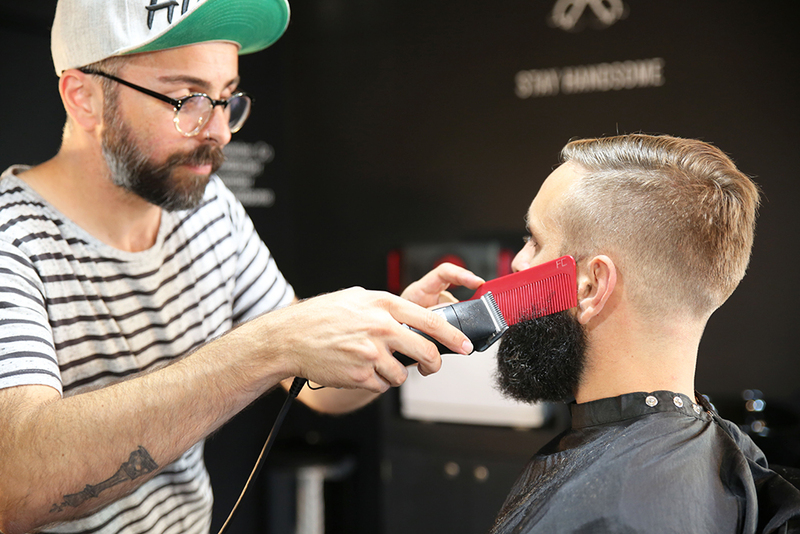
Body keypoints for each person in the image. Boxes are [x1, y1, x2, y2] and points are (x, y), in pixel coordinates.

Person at [0, 1, 484, 533]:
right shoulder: (11, 239)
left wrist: (389, 332)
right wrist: (271, 345)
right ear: (84, 98)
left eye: (227, 99)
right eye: (188, 99)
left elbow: (313, 381)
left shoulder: (209, 209)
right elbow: (15, 484)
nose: (221, 132)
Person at [489, 134, 800, 533]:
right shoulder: (737, 463)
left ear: (590, 286)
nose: (519, 262)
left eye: (536, 240)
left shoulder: (613, 516)